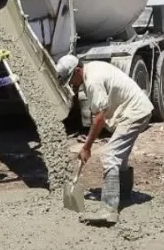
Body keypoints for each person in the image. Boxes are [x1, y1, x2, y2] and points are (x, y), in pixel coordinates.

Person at [56, 54, 152, 225]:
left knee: (110, 156)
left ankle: (109, 210)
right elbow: (100, 114)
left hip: (134, 113)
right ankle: (123, 195)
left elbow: (99, 118)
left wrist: (87, 147)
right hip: (136, 109)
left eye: (71, 80)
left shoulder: (92, 81)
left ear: (78, 70)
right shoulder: (92, 69)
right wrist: (88, 143)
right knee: (118, 157)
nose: (72, 84)